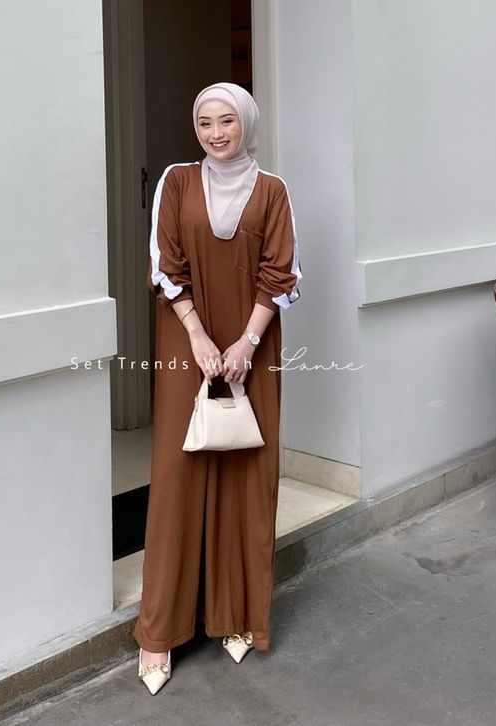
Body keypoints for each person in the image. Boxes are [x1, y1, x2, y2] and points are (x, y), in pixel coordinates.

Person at [134, 81, 302, 695]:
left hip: (251, 342)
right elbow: (164, 263)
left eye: (226, 120)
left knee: (246, 473)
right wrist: (200, 339)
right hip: (189, 339)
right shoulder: (176, 182)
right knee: (177, 475)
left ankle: (234, 613)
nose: (214, 132)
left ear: (246, 123)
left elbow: (281, 272)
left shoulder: (273, 190)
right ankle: (158, 631)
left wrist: (246, 345)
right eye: (204, 122)